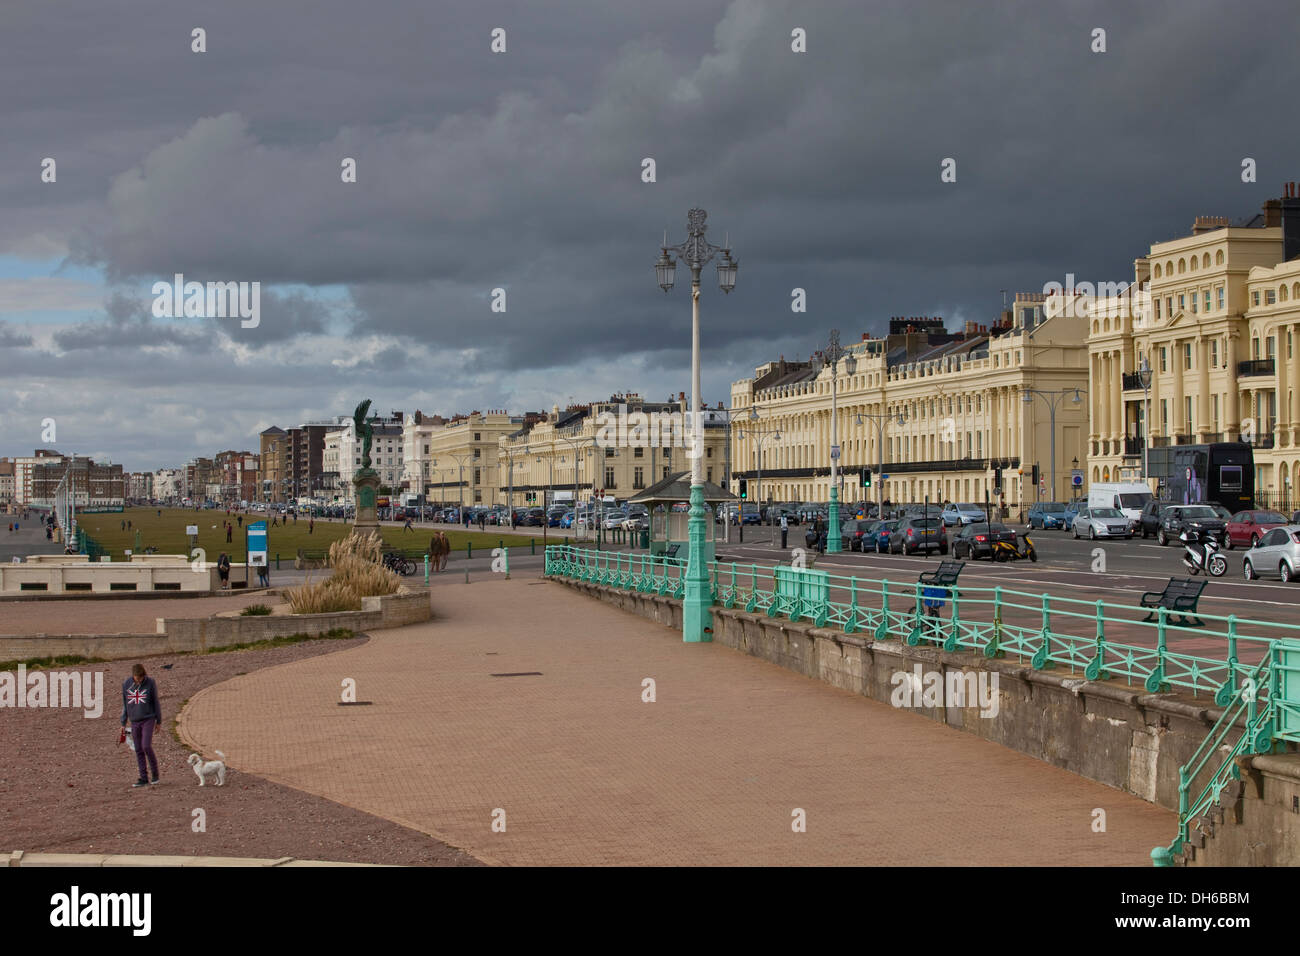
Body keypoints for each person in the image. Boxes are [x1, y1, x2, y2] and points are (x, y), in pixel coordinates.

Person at [120, 663, 162, 787]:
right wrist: (123, 723)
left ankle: (155, 774)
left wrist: (158, 721)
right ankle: (143, 778)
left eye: (141, 677)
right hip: (134, 721)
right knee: (138, 749)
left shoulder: (150, 683)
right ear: (133, 675)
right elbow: (125, 704)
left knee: (146, 746)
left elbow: (156, 702)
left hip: (148, 719)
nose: (140, 679)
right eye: (137, 677)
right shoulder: (126, 684)